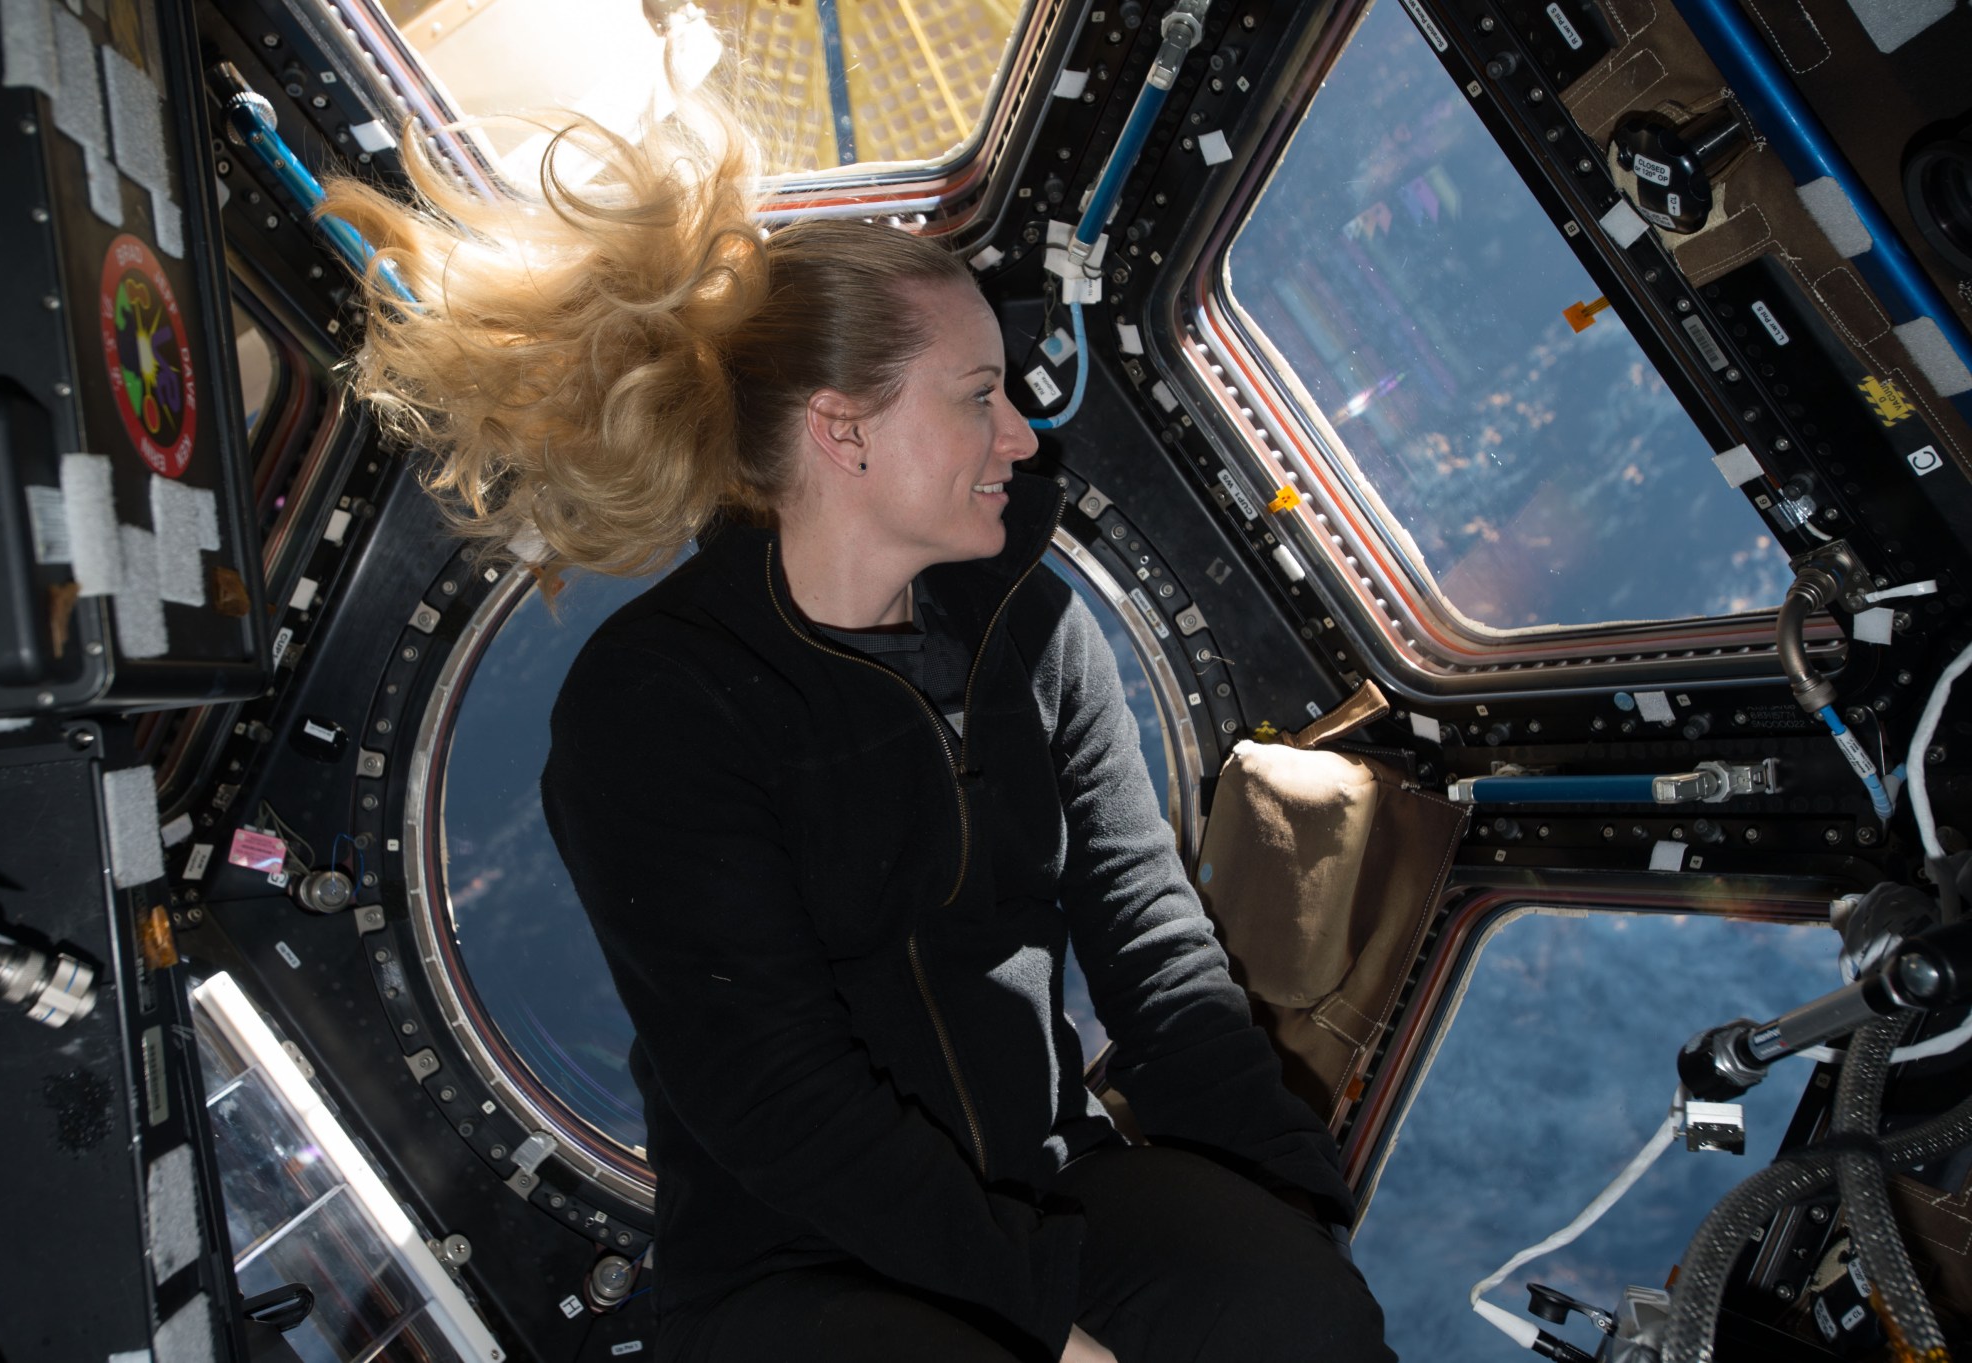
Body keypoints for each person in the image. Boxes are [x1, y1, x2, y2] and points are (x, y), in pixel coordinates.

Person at [328, 88, 1392, 1363]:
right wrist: (1050, 1324)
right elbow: (779, 1100)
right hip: (789, 1266)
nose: (1019, 434)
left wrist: (1297, 1216)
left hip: (1049, 1185)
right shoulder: (659, 704)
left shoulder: (1035, 632)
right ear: (842, 432)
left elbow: (1159, 966)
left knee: (1294, 1311)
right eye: (976, 398)